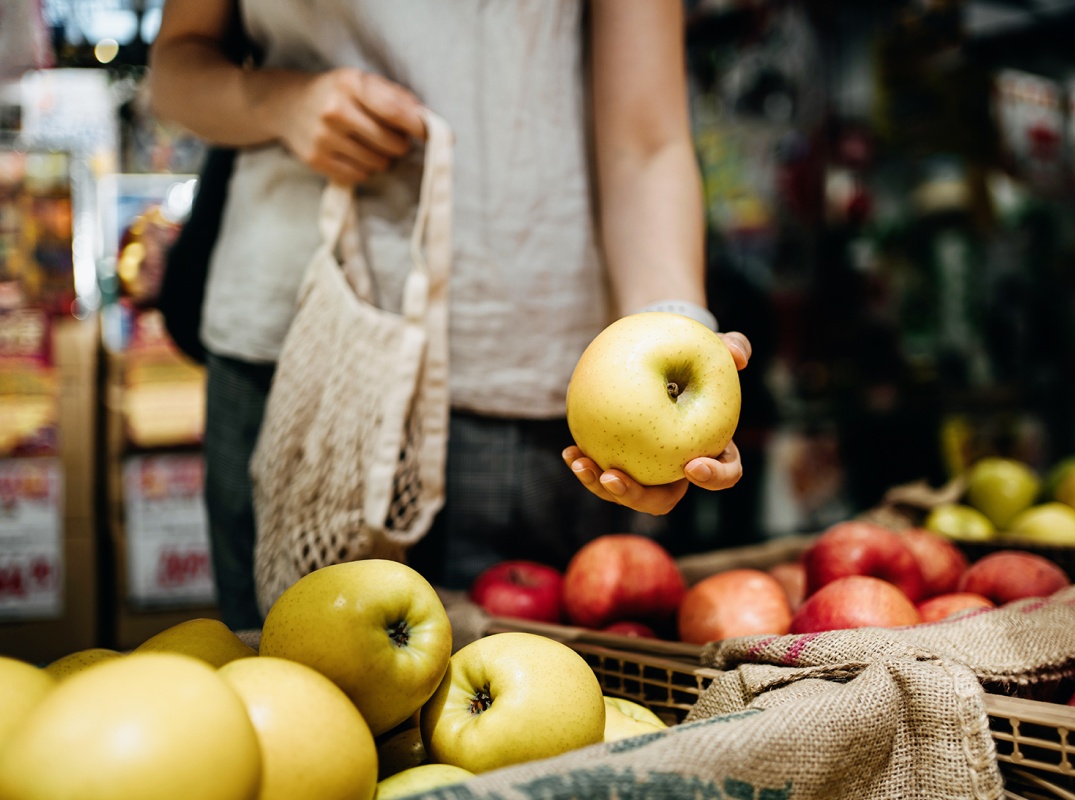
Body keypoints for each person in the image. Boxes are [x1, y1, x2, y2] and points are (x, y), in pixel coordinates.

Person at [148, 0, 751, 632]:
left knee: (534, 708)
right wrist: (278, 101)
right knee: (285, 688)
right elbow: (177, 65)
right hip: (295, 357)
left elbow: (646, 142)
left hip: (526, 373)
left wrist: (675, 325)